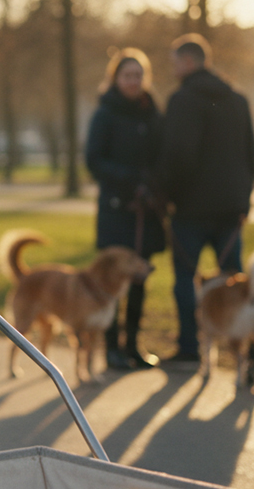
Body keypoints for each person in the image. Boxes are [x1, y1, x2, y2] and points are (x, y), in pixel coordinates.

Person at [160, 33, 254, 366]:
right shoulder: (237, 100)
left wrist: (167, 198)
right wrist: (244, 198)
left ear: (188, 62)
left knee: (186, 279)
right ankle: (241, 349)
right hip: (230, 207)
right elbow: (250, 154)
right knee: (236, 280)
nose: (173, 69)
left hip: (190, 208)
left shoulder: (182, 100)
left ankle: (190, 347)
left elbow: (177, 155)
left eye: (175, 62)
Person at [85, 48, 165, 371]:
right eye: (127, 75)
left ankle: (133, 345)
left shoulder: (153, 113)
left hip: (145, 210)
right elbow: (94, 160)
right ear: (115, 79)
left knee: (139, 281)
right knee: (112, 283)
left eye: (138, 75)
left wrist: (153, 183)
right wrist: (129, 180)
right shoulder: (105, 114)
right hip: (118, 210)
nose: (134, 81)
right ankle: (112, 349)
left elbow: (163, 155)